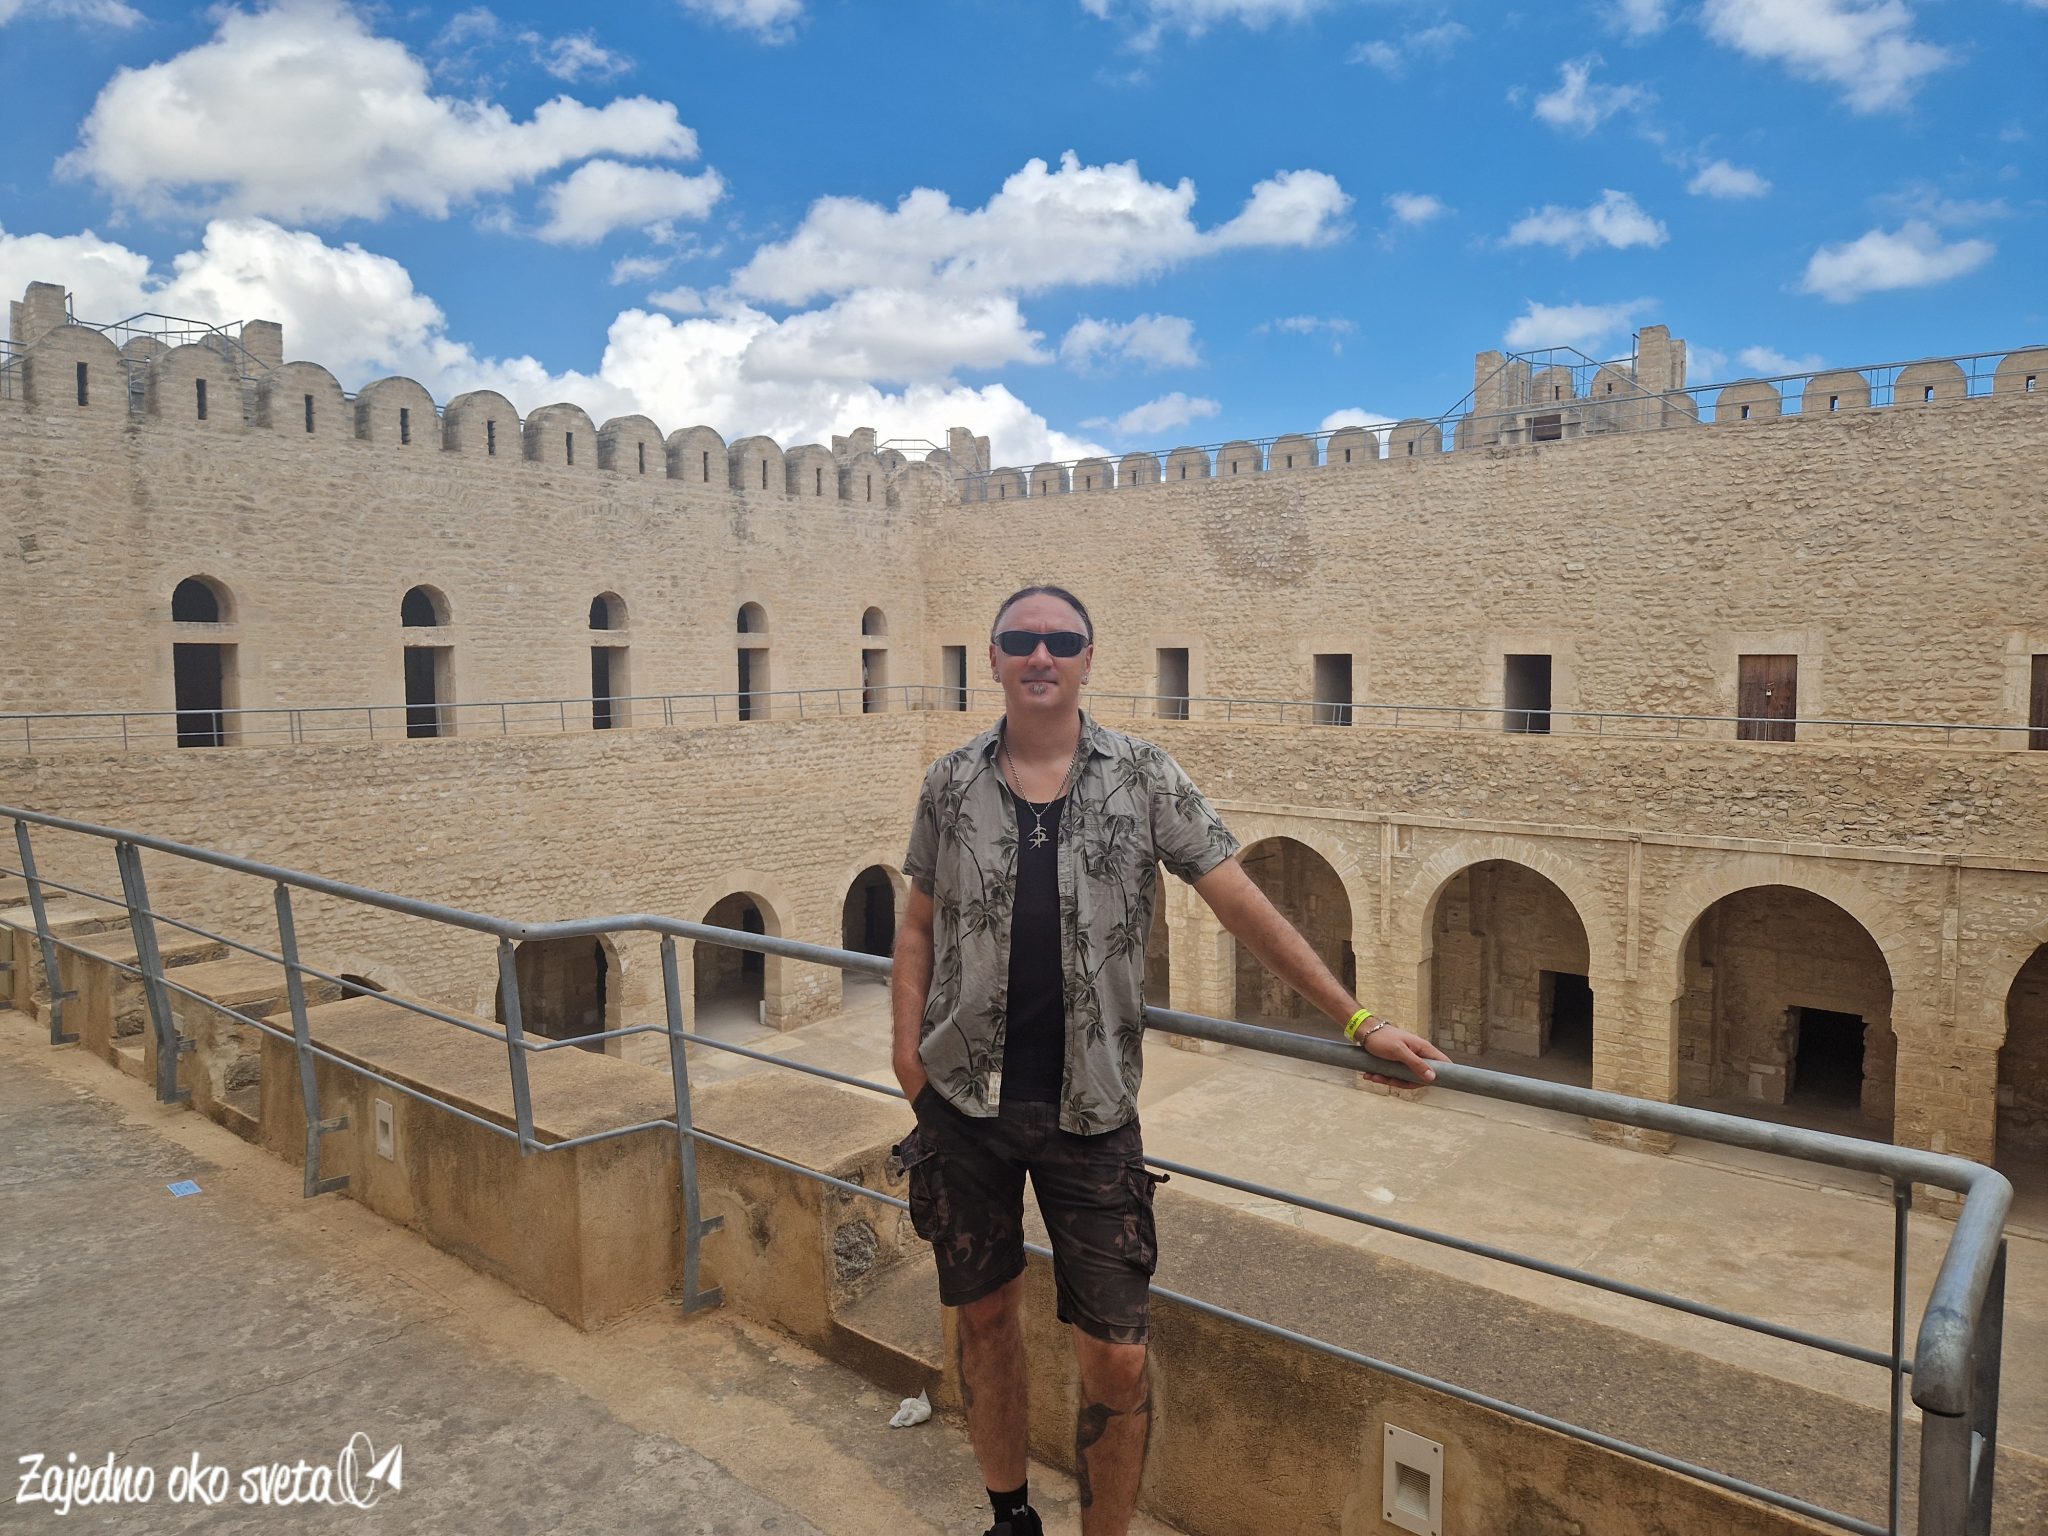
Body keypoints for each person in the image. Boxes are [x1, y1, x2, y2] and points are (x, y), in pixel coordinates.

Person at [889, 583, 1446, 1536]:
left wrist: (1358, 1021)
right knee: (983, 1318)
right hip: (964, 1105)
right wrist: (907, 1058)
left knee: (1117, 1356)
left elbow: (1241, 903)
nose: (1040, 655)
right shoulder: (950, 783)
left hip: (1093, 1111)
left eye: (1060, 640)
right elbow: (917, 925)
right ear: (994, 659)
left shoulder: (1144, 776)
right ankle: (1010, 1516)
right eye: (1020, 639)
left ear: (1088, 659)